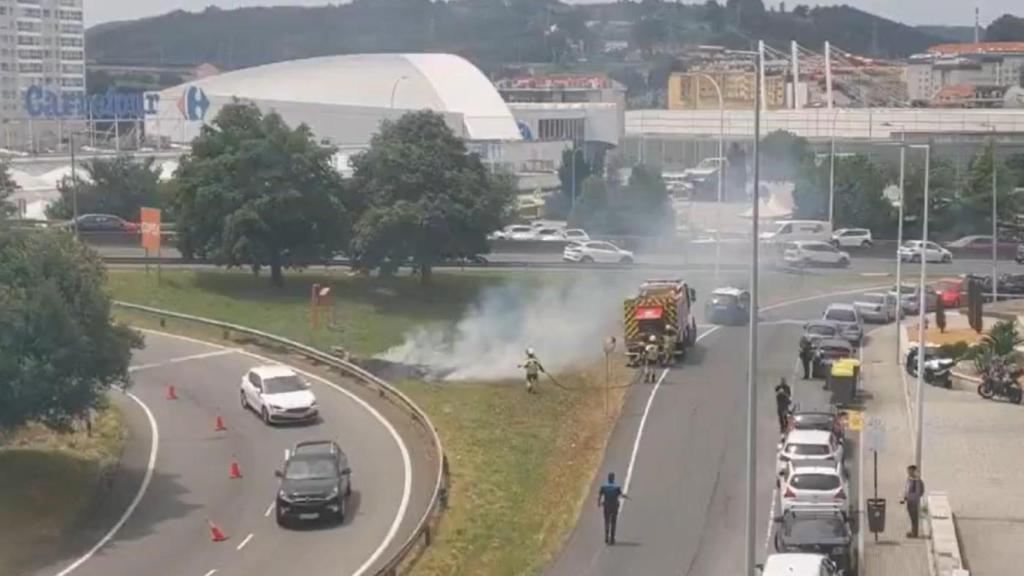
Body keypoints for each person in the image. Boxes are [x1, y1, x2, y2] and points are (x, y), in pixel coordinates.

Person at [598, 472, 628, 545]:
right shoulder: (616, 487)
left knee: (607, 521)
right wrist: (625, 496)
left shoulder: (604, 487)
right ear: (613, 478)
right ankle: (612, 538)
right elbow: (620, 494)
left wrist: (599, 503)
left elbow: (600, 496)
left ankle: (606, 537)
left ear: (608, 478)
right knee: (613, 522)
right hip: (614, 506)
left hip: (606, 506)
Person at [900, 464, 926, 538]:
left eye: (910, 470)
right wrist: (905, 497)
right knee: (912, 517)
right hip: (909, 500)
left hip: (913, 501)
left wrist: (914, 498)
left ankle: (914, 533)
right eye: (908, 471)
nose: (908, 472)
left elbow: (918, 492)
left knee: (914, 517)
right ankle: (913, 531)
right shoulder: (910, 479)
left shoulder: (916, 480)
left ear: (913, 471)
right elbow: (907, 489)